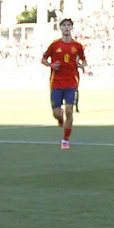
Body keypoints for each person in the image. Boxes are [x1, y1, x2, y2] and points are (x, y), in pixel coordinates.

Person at [41, 18, 87, 148]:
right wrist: (51, 64)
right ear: (60, 28)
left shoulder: (77, 46)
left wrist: (82, 65)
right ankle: (59, 119)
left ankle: (65, 140)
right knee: (56, 114)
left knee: (69, 110)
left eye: (69, 25)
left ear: (72, 28)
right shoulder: (55, 45)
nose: (66, 27)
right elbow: (43, 59)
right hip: (56, 83)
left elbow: (84, 60)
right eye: (64, 25)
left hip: (71, 83)